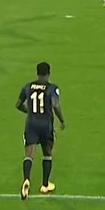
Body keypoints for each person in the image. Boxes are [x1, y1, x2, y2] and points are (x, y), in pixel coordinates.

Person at [15, 61, 66, 200]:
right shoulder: (52, 88)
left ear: (37, 73)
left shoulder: (28, 86)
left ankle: (26, 179)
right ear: (48, 73)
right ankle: (45, 185)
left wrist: (29, 111)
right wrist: (61, 120)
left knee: (29, 155)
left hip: (31, 124)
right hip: (46, 125)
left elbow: (18, 104)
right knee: (47, 154)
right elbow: (55, 105)